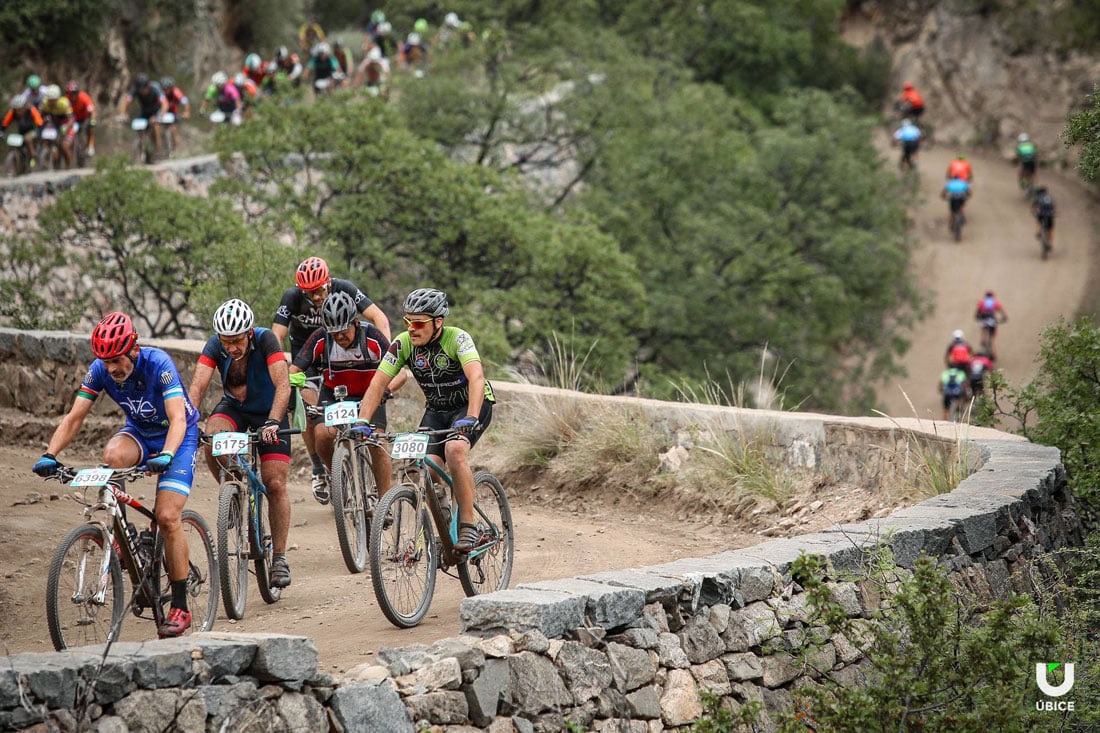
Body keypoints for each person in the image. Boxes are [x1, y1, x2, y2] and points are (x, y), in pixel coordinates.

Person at [32, 312, 201, 638]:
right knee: (111, 455)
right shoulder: (100, 371)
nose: (111, 368)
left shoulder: (158, 363)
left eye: (117, 360)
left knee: (167, 517)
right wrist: (50, 454)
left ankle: (180, 605)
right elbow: (74, 416)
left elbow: (178, 418)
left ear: (134, 349)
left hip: (177, 436)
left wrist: (166, 454)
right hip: (139, 433)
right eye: (105, 361)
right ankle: (123, 539)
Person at [352, 288, 496, 552]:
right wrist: (362, 420)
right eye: (408, 322)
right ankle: (443, 524)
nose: (411, 329)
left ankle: (468, 526)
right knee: (427, 468)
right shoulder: (403, 343)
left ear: (438, 322)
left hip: (471, 404)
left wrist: (472, 417)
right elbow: (378, 383)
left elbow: (476, 378)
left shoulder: (458, 339)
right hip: (437, 409)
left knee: (454, 450)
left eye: (418, 323)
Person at [187, 299, 294, 588]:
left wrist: (273, 421)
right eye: (226, 341)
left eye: (237, 341)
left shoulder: (266, 340)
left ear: (248, 333)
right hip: (235, 407)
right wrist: (189, 423)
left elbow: (283, 386)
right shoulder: (214, 346)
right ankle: (232, 493)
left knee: (275, 484)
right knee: (212, 440)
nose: (232, 347)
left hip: (269, 410)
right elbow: (197, 386)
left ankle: (280, 558)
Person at [272, 256, 390, 501]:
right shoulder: (292, 297)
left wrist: (385, 359)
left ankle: (378, 491)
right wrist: (279, 373)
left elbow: (379, 317)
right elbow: (276, 338)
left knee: (372, 433)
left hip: (341, 354)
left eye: (319, 290)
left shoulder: (344, 289)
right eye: (309, 292)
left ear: (328, 282)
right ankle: (320, 467)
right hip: (310, 354)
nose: (315, 297)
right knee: (308, 404)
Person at [289, 291, 404, 503]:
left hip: (370, 394)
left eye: (343, 331)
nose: (340, 337)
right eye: (334, 333)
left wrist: (385, 391)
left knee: (375, 441)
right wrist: (293, 391)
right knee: (322, 434)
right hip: (335, 394)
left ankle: (385, 500)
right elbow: (295, 369)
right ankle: (336, 475)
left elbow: (401, 373)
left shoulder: (372, 337)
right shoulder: (321, 338)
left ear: (356, 322)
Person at [117, 74, 168, 154]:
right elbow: (127, 102)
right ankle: (140, 151)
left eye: (144, 89)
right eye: (140, 89)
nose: (142, 91)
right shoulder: (135, 90)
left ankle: (158, 149)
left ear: (148, 86)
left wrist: (160, 116)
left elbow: (165, 103)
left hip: (156, 111)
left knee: (155, 125)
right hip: (145, 111)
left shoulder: (155, 88)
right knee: (140, 128)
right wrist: (122, 114)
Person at [1, 93, 44, 165]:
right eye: (16, 109)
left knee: (28, 138)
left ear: (24, 106)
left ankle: (34, 157)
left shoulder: (31, 110)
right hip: (21, 132)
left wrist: (40, 132)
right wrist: (2, 131)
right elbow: (5, 123)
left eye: (20, 109)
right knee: (13, 142)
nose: (18, 111)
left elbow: (39, 122)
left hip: (33, 131)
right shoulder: (12, 112)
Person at [40, 85, 76, 168]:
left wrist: (66, 127)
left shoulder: (64, 103)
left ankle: (69, 166)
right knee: (45, 140)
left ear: (58, 98)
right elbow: (40, 115)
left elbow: (71, 119)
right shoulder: (45, 103)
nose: (51, 102)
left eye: (53, 100)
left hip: (66, 123)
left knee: (65, 146)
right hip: (53, 122)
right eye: (49, 100)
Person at [66, 80, 97, 156]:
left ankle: (90, 145)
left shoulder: (84, 97)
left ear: (78, 92)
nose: (73, 95)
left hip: (85, 118)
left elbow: (92, 110)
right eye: (71, 93)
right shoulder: (66, 99)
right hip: (73, 119)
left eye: (75, 93)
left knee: (90, 128)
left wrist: (93, 120)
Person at [160, 77, 190, 152]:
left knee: (174, 129)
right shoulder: (161, 94)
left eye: (167, 88)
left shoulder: (176, 92)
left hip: (174, 113)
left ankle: (176, 149)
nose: (165, 90)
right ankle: (160, 148)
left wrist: (186, 112)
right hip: (163, 113)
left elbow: (185, 102)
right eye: (164, 88)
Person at [1032, 185, 1056, 251]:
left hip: (1041, 214)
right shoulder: (1051, 198)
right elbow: (1053, 207)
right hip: (1050, 214)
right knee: (1050, 229)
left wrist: (1033, 212)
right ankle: (1050, 244)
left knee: (1038, 220)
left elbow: (1034, 206)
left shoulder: (1038, 197)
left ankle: (1039, 231)